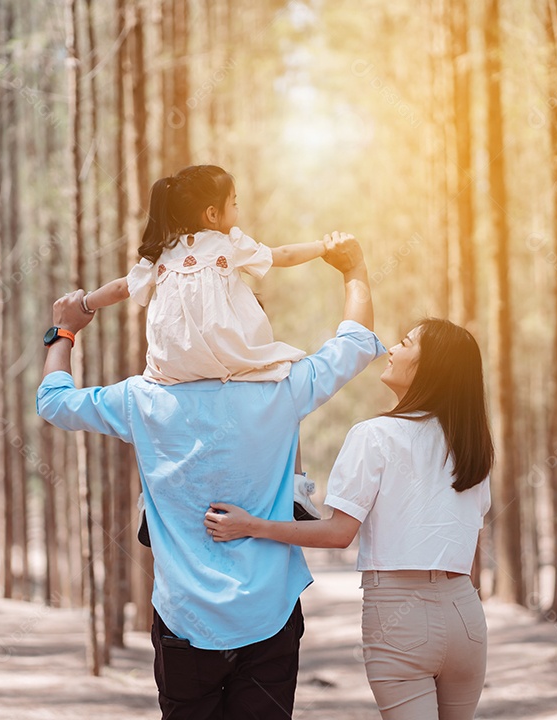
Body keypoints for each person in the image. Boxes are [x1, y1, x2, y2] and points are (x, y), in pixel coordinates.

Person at [37, 232, 386, 719]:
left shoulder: (143, 400)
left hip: (184, 620)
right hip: (268, 615)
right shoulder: (284, 389)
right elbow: (355, 344)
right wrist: (353, 271)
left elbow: (54, 402)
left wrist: (65, 332)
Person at [205, 319, 495, 720]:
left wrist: (252, 525)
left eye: (406, 342)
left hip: (400, 614)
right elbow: (467, 542)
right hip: (465, 613)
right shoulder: (472, 448)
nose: (392, 348)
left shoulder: (375, 434)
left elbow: (340, 533)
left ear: (430, 367)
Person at [83, 164, 329, 384]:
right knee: (274, 365)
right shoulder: (229, 244)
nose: (237, 209)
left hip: (173, 363)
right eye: (233, 203)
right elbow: (283, 255)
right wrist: (323, 247)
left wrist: (86, 303)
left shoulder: (162, 252)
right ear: (212, 214)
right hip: (229, 357)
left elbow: (121, 288)